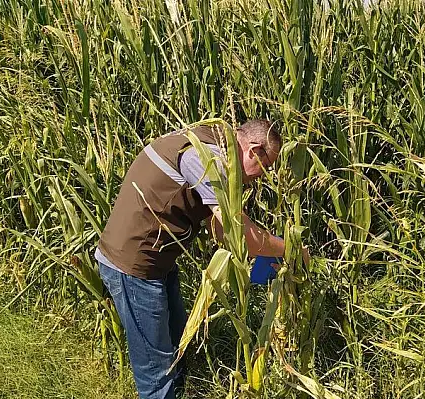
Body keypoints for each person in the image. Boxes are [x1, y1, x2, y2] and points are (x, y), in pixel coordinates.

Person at [94, 119, 308, 399]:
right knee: (155, 367)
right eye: (266, 167)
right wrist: (291, 248)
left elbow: (220, 229)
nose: (263, 176)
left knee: (177, 341)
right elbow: (241, 234)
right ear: (254, 150)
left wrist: (262, 250)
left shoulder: (212, 145)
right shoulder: (207, 157)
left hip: (158, 260)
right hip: (133, 265)